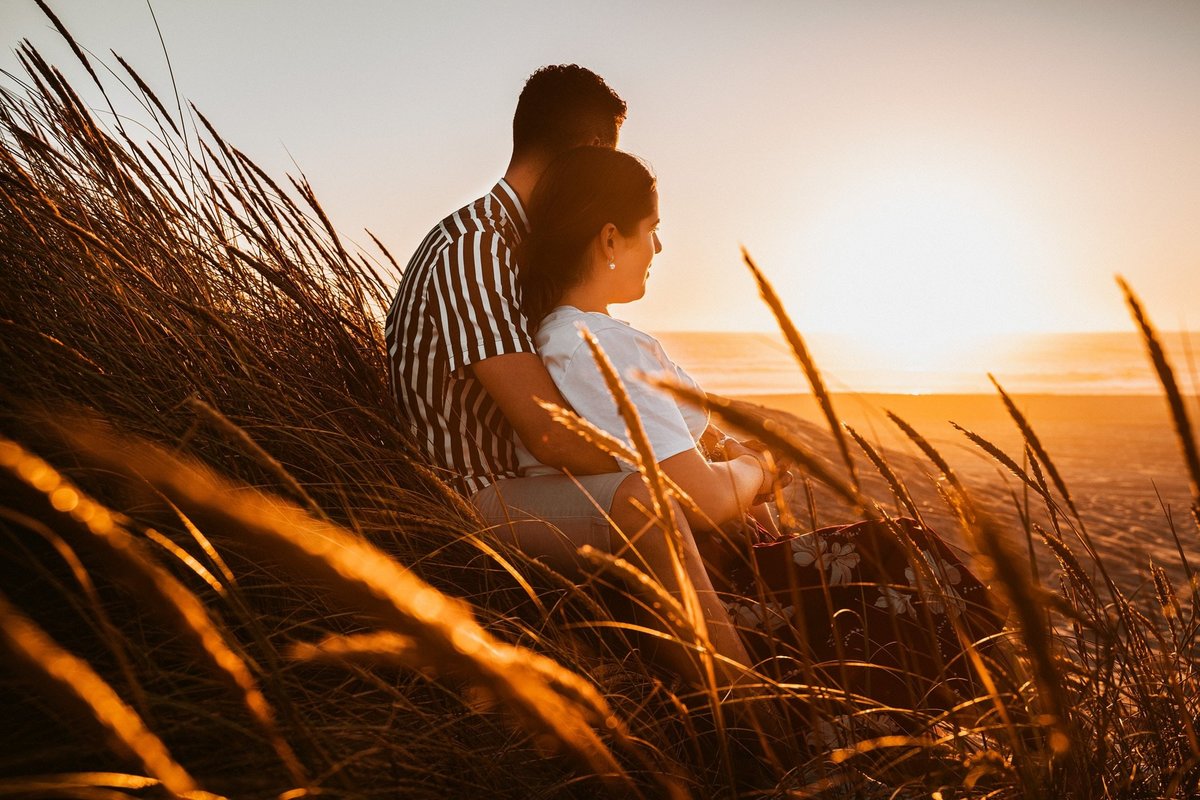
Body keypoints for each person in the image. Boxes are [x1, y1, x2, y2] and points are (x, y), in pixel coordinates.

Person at [516, 146, 1006, 719]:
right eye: (652, 230)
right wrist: (757, 470)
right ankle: (1003, 728)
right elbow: (697, 498)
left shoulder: (558, 339)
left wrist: (728, 455)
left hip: (688, 572)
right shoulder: (603, 346)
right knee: (903, 551)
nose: (659, 248)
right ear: (609, 240)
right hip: (717, 583)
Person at [384, 67, 771, 690]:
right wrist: (677, 473)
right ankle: (748, 705)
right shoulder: (477, 247)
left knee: (703, 495)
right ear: (590, 149)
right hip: (472, 493)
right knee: (652, 503)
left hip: (527, 481)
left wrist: (700, 454)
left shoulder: (528, 248)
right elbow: (551, 434)